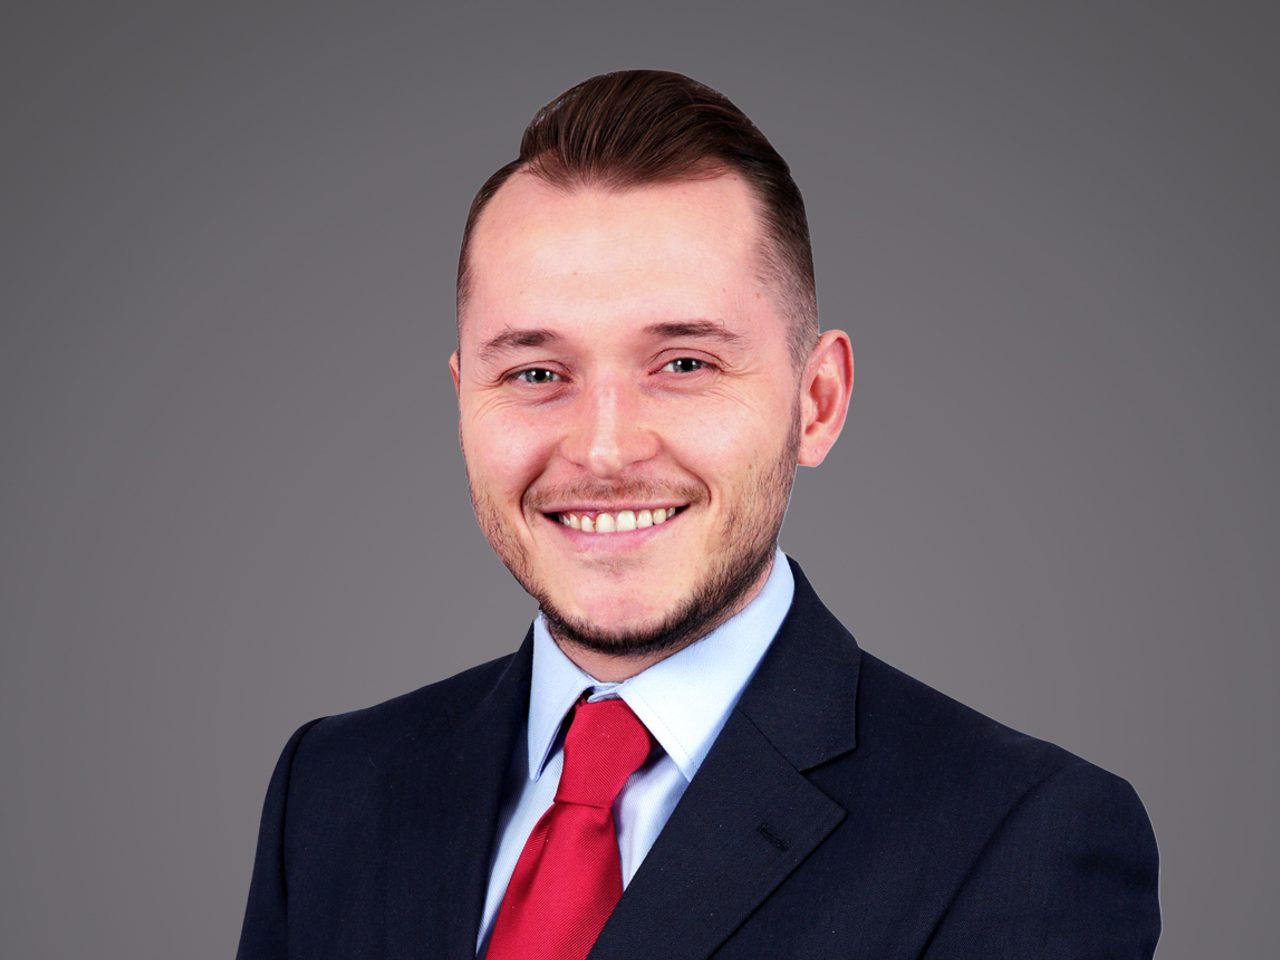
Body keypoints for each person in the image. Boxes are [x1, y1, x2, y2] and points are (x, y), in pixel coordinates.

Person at [237, 70, 1161, 960]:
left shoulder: (1023, 839)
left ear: (817, 401)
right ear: (463, 399)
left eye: (683, 364)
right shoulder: (331, 790)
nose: (603, 449)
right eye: (534, 373)